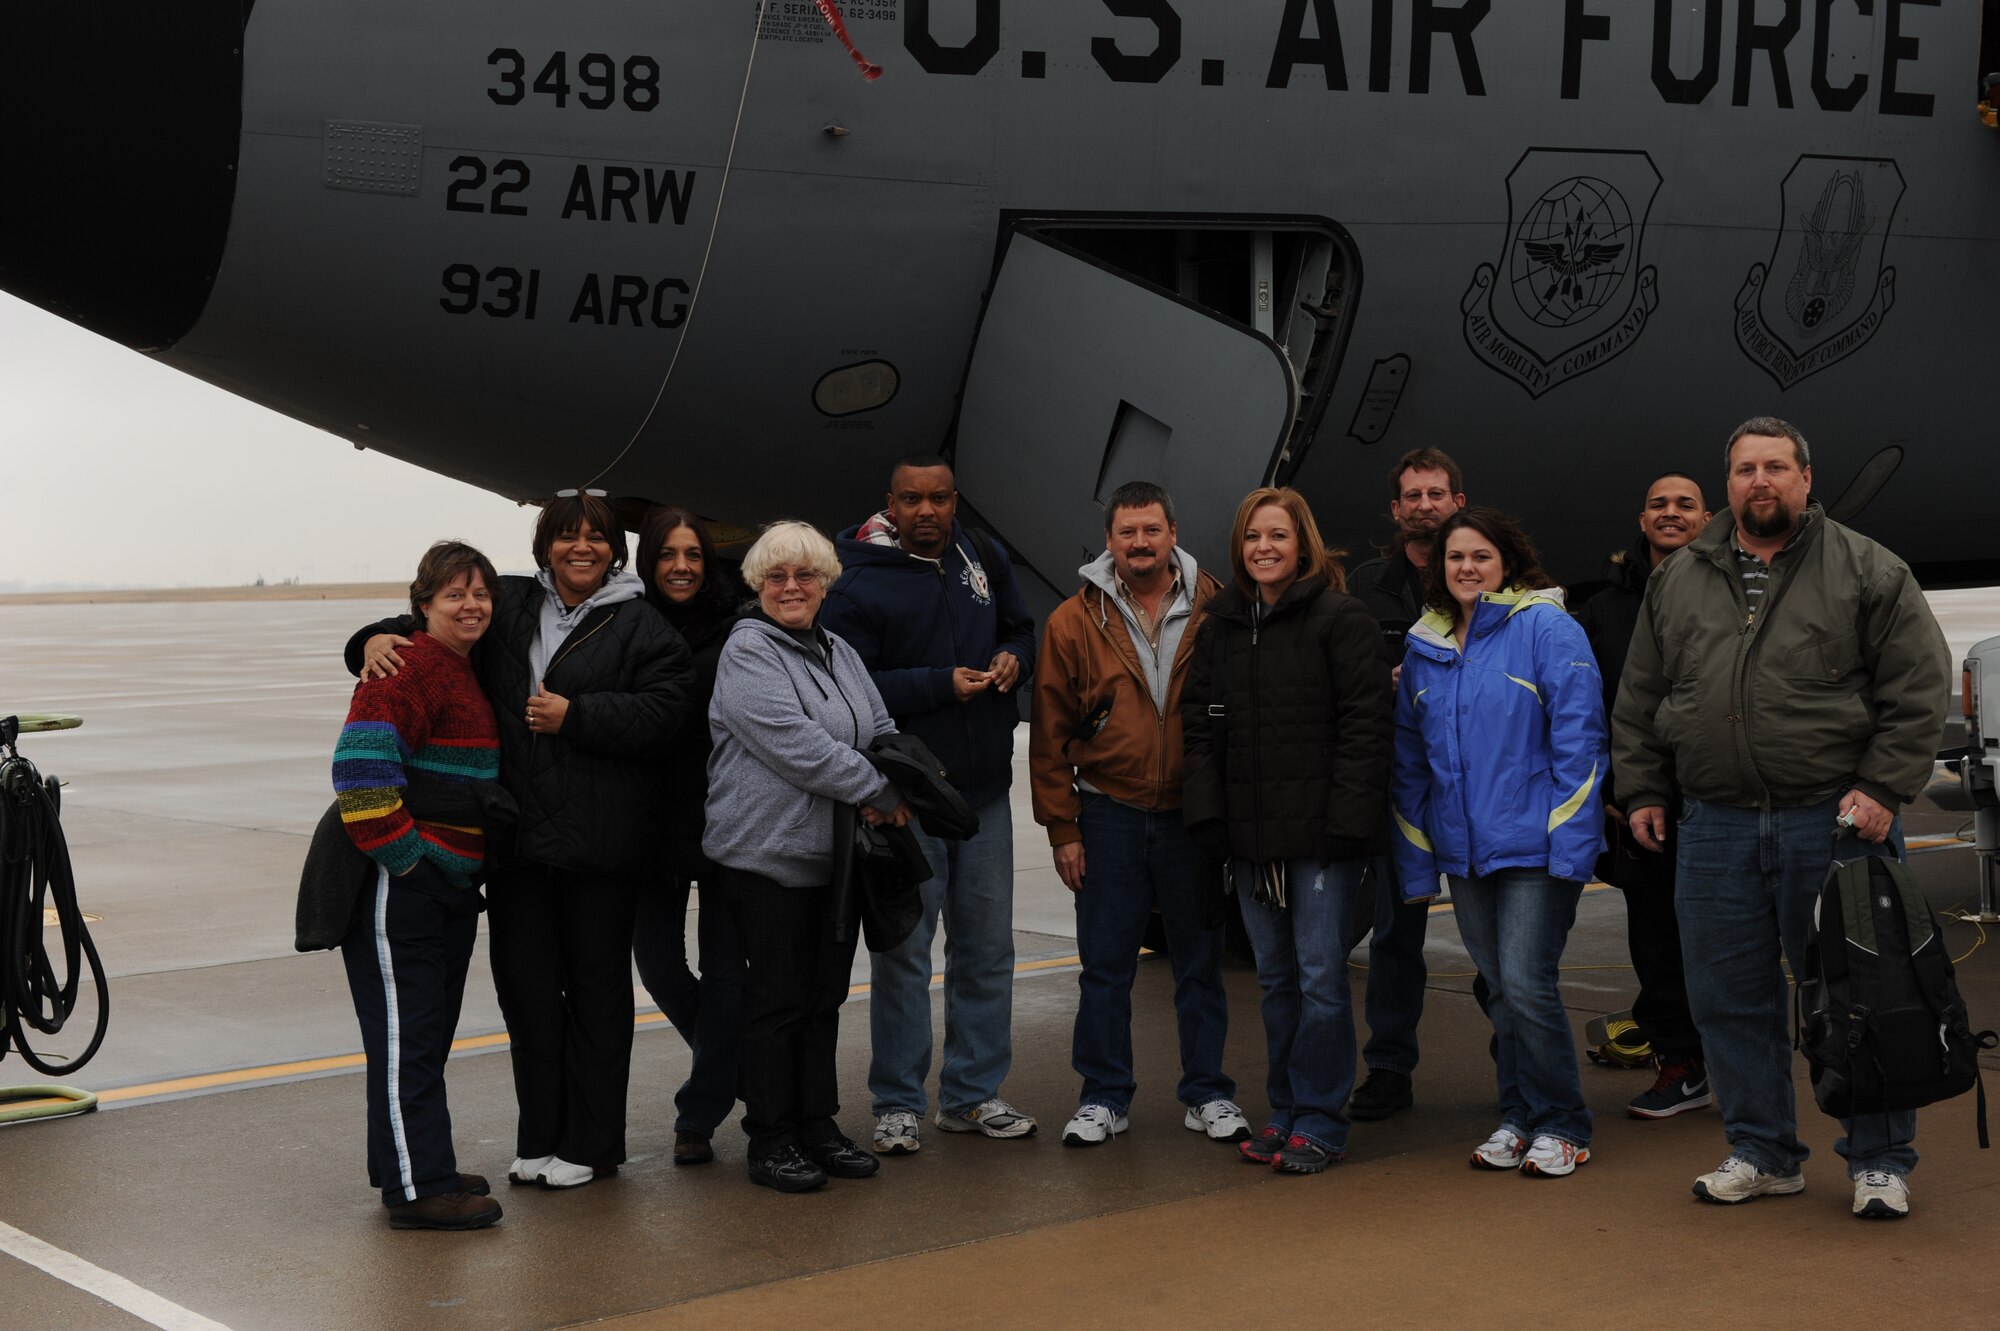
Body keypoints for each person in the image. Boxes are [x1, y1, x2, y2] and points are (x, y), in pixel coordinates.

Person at [1613, 417, 1951, 1219]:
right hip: (1714, 825)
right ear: (1727, 483)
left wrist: (1883, 786)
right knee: (1727, 999)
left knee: (1864, 994)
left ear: (1805, 477)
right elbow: (1642, 694)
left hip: (1835, 822)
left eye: (1774, 466)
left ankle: (1879, 1160)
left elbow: (1918, 685)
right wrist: (1644, 787)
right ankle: (1763, 1152)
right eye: (1743, 469)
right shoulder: (1679, 576)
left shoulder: (1867, 567)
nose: (1758, 481)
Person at [348, 492, 692, 1189]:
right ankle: (539, 1139)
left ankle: (592, 1144)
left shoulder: (642, 623)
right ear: (545, 547)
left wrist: (578, 715)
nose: (581, 548)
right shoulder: (510, 604)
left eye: (596, 537)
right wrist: (369, 641)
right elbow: (437, 619)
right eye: (566, 536)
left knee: (595, 997)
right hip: (516, 846)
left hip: (600, 844)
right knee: (527, 994)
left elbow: (669, 713)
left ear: (615, 549)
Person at [819, 454, 1041, 1154]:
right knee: (904, 955)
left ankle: (971, 1094)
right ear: (891, 503)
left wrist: (1015, 657)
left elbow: (1021, 627)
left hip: (985, 796)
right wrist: (940, 683)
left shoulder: (982, 555)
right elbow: (850, 689)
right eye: (912, 499)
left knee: (987, 951)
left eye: (938, 498)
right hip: (908, 803)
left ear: (954, 500)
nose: (926, 511)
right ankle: (898, 1102)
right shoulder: (857, 580)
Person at [1391, 507, 1606, 1178]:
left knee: (1527, 983)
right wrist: (1418, 857)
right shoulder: (1425, 646)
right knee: (1502, 990)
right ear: (1439, 566)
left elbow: (1581, 742)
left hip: (1536, 849)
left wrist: (1571, 845)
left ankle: (1563, 1123)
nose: (1467, 567)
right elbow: (1410, 762)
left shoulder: (1547, 628)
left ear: (1507, 562)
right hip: (1466, 854)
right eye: (1455, 556)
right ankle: (1519, 1116)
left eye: (1481, 555)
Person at [1029, 481, 1245, 1148]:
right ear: (1110, 541)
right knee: (1105, 967)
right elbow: (1049, 732)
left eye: (1152, 530)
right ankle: (1103, 1096)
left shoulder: (1218, 606)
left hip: (1191, 817)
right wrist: (1062, 828)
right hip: (1107, 814)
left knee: (1199, 965)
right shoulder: (1072, 620)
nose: (1141, 543)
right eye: (1128, 532)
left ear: (1173, 533)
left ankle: (1207, 1092)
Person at [1182, 487, 1391, 1174]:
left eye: (1277, 535)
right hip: (1251, 841)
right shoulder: (1221, 625)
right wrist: (1210, 818)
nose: (1263, 548)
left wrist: (1349, 823)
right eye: (1252, 537)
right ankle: (1287, 1109)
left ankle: (1322, 1120)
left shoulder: (1342, 618)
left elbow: (1366, 726)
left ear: (1304, 544)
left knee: (1322, 977)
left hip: (1322, 838)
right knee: (1275, 980)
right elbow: (1197, 727)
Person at [704, 520, 912, 1193]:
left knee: (824, 998)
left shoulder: (838, 649)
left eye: (805, 575)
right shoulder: (747, 651)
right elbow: (794, 744)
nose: (791, 587)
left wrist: (898, 773)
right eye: (777, 576)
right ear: (758, 584)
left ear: (825, 583)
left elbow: (880, 726)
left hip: (834, 859)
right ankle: (770, 1137)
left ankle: (817, 1125)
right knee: (778, 1002)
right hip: (766, 856)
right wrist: (876, 788)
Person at [332, 541, 505, 1230]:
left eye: (481, 594)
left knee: (422, 1040)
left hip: (448, 885)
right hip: (403, 887)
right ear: (423, 604)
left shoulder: (460, 666)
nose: (471, 606)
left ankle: (411, 1163)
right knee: (408, 1040)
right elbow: (360, 776)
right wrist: (410, 864)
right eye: (455, 594)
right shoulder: (404, 668)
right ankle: (420, 1188)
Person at [1573, 472, 1712, 1120]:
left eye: (1685, 504)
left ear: (1707, 519)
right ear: (1642, 518)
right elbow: (1588, 706)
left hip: (1722, 798)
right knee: (1656, 940)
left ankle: (1739, 1066)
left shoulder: (1734, 592)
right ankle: (1680, 1063)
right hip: (1640, 802)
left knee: (1728, 941)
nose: (1670, 512)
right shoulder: (1605, 608)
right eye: (1658, 503)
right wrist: (1612, 789)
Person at [1342, 448, 1469, 1120]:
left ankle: (1519, 1065)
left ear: (1458, 502)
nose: (1425, 505)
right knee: (1395, 935)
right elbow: (1342, 670)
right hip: (1400, 785)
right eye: (1413, 496)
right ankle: (1390, 1069)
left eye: (1436, 494)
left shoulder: (1483, 573)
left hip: (1476, 786)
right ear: (1396, 509)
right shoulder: (1367, 585)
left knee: (1494, 940)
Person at [629, 505, 747, 1166]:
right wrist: (382, 635)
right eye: (668, 554)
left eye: (693, 554)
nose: (681, 566)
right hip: (651, 825)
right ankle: (747, 1073)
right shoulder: (624, 620)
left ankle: (698, 1114)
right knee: (660, 966)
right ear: (648, 561)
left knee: (727, 971)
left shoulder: (738, 627)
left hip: (728, 818)